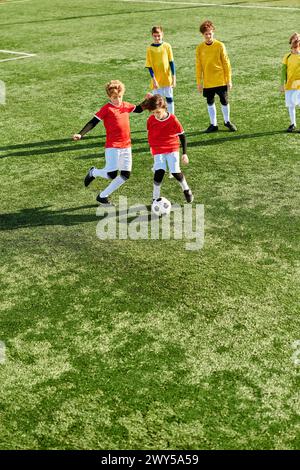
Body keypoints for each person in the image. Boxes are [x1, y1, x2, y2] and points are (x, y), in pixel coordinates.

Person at [72, 80, 148, 205]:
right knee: (111, 174)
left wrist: (147, 100)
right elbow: (93, 122)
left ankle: (103, 196)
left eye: (119, 96)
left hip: (127, 146)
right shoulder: (106, 109)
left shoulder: (125, 105)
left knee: (125, 175)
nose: (117, 99)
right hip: (113, 146)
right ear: (109, 96)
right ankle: (94, 172)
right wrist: (81, 134)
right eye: (114, 97)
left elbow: (139, 109)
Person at [144, 94, 193, 204]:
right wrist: (151, 147)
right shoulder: (151, 120)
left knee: (175, 171)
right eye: (153, 112)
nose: (156, 115)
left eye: (158, 112)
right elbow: (150, 135)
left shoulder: (173, 119)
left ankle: (186, 190)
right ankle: (155, 198)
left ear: (164, 108)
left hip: (172, 147)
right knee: (159, 172)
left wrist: (184, 154)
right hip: (157, 148)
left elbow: (182, 136)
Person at [195, 20, 237, 133]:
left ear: (213, 32)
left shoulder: (220, 45)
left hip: (220, 80)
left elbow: (226, 63)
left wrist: (229, 80)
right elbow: (198, 66)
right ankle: (213, 124)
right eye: (206, 34)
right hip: (208, 81)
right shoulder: (199, 48)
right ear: (202, 35)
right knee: (210, 101)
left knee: (224, 100)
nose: (208, 36)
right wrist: (199, 82)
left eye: (210, 33)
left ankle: (227, 121)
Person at [145, 25, 176, 115]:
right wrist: (154, 80)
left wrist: (174, 78)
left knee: (169, 98)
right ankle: (160, 118)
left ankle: (171, 117)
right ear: (152, 35)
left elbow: (171, 62)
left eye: (159, 35)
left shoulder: (167, 46)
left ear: (162, 34)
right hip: (156, 80)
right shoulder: (149, 49)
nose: (157, 38)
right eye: (155, 36)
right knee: (157, 102)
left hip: (167, 78)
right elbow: (149, 66)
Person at [281, 32, 300, 132]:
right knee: (291, 105)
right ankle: (293, 124)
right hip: (289, 85)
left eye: (298, 39)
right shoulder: (287, 56)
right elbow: (283, 71)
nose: (296, 40)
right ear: (291, 42)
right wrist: (281, 84)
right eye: (294, 38)